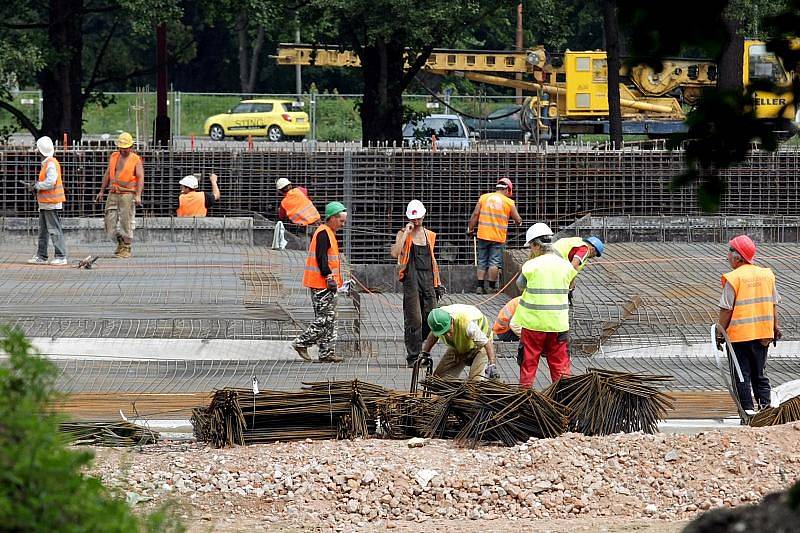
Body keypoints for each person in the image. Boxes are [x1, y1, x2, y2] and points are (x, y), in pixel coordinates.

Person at [717, 235, 781, 415]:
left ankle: (747, 413)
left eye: (729, 252)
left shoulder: (734, 278)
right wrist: (775, 327)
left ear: (738, 257)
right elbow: (773, 304)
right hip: (763, 335)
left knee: (741, 375)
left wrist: (719, 334)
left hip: (739, 337)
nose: (727, 256)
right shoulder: (767, 274)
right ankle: (765, 411)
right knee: (759, 374)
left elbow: (726, 310)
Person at [513, 223, 577, 388]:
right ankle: (565, 401)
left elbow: (520, 285)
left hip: (533, 325)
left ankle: (524, 400)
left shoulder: (530, 266)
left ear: (535, 245)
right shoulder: (566, 266)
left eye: (531, 247)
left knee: (528, 364)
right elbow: (571, 286)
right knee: (560, 366)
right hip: (558, 325)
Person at [390, 200, 445, 368]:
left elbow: (433, 261)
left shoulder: (430, 235)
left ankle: (421, 346)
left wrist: (438, 283)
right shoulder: (403, 234)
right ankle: (413, 356)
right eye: (413, 219)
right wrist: (406, 233)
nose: (416, 222)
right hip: (411, 279)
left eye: (418, 219)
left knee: (432, 317)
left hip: (428, 279)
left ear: (423, 216)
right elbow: (394, 253)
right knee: (414, 319)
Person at [292, 202, 348, 363]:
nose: (342, 225)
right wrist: (329, 276)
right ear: (331, 218)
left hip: (326, 284)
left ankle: (326, 352)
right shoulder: (323, 233)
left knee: (330, 320)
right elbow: (321, 257)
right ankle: (302, 342)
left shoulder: (328, 232)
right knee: (324, 319)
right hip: (321, 284)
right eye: (341, 221)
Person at [467, 177, 523, 294]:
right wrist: (519, 222)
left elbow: (475, 214)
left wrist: (470, 229)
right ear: (507, 189)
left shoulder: (484, 198)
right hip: (497, 237)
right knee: (494, 262)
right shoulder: (509, 202)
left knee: (482, 260)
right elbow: (517, 219)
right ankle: (491, 287)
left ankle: (480, 286)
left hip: (482, 234)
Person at [95, 132, 144, 258]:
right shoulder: (114, 156)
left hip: (127, 193)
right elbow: (107, 174)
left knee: (125, 220)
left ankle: (126, 247)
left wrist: (138, 195)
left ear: (131, 147)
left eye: (125, 148)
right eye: (121, 148)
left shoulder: (135, 160)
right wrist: (101, 191)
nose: (123, 150)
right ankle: (120, 242)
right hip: (113, 192)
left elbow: (140, 177)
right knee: (109, 221)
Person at [419, 305, 498, 381]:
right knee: (438, 380)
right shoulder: (438, 323)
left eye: (448, 330)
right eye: (443, 333)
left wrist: (492, 364)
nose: (448, 335)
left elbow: (487, 343)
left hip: (481, 346)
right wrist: (425, 353)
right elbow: (433, 335)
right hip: (460, 344)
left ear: (452, 321)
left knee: (474, 383)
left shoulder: (467, 324)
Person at [27, 136, 68, 266]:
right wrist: (37, 186)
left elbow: (51, 182)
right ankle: (41, 255)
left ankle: (61, 256)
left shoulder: (50, 164)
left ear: (40, 150)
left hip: (51, 203)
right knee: (43, 231)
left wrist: (37, 185)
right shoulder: (47, 163)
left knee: (54, 230)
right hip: (46, 203)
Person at [552, 235, 605, 304]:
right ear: (593, 249)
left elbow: (574, 270)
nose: (592, 257)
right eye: (595, 255)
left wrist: (572, 282)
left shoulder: (579, 241)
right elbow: (573, 266)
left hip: (551, 250)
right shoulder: (585, 250)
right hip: (556, 257)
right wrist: (568, 287)